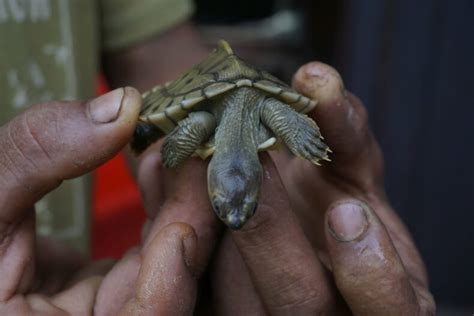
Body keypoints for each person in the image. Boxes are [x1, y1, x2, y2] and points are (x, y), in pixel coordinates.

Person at [0, 61, 435, 314]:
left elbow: (279, 112)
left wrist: (311, 151)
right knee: (192, 124)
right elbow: (188, 125)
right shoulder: (205, 122)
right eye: (228, 199)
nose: (234, 211)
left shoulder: (260, 112)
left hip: (162, 258)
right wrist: (163, 143)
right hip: (108, 260)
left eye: (233, 200)